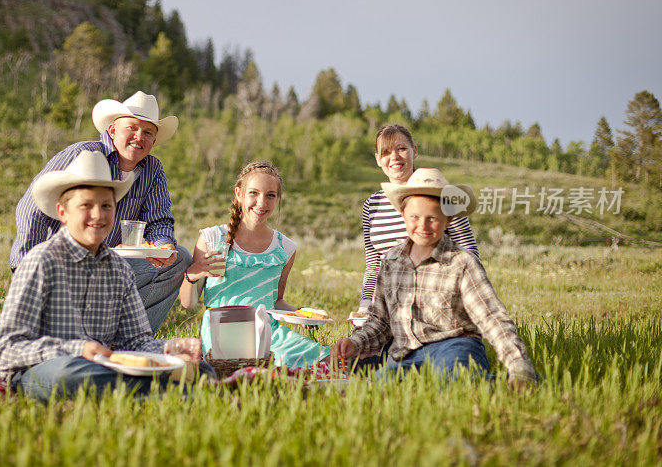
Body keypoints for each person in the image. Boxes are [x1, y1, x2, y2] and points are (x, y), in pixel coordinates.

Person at [0, 150, 205, 401]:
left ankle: (169, 389)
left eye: (106, 206)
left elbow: (135, 344)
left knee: (201, 367)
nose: (98, 215)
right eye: (86, 206)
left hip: (101, 367)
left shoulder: (118, 269)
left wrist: (171, 348)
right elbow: (3, 351)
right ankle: (176, 393)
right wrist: (77, 349)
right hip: (43, 371)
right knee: (73, 372)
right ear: (62, 212)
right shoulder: (41, 262)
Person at [333, 169, 536, 390]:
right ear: (403, 214)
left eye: (433, 218)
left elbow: (491, 317)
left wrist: (517, 363)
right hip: (406, 353)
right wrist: (356, 343)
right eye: (415, 217)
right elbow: (380, 321)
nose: (423, 226)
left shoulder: (461, 262)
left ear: (448, 220)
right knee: (380, 388)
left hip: (455, 345)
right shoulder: (392, 261)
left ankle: (521, 386)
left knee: (453, 383)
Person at [10, 91, 190, 333]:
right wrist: (26, 270)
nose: (140, 137)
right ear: (113, 130)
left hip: (111, 263)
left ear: (154, 141)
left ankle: (129, 341)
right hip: (66, 264)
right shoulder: (82, 155)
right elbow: (32, 209)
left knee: (179, 258)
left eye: (148, 132)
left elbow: (159, 220)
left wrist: (163, 244)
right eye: (133, 128)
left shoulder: (153, 169)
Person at [179, 161, 331, 368]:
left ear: (277, 199)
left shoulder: (285, 248)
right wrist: (192, 275)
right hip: (222, 331)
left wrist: (302, 314)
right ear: (239, 194)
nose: (262, 203)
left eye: (271, 195)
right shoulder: (212, 238)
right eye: (254, 193)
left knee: (328, 359)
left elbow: (276, 302)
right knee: (260, 367)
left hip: (267, 331)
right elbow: (188, 304)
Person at [356, 124, 479, 316]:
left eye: (401, 149)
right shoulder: (372, 205)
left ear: (414, 151)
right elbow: (373, 264)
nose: (394, 157)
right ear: (378, 159)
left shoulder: (442, 195)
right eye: (386, 152)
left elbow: (469, 253)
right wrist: (365, 304)